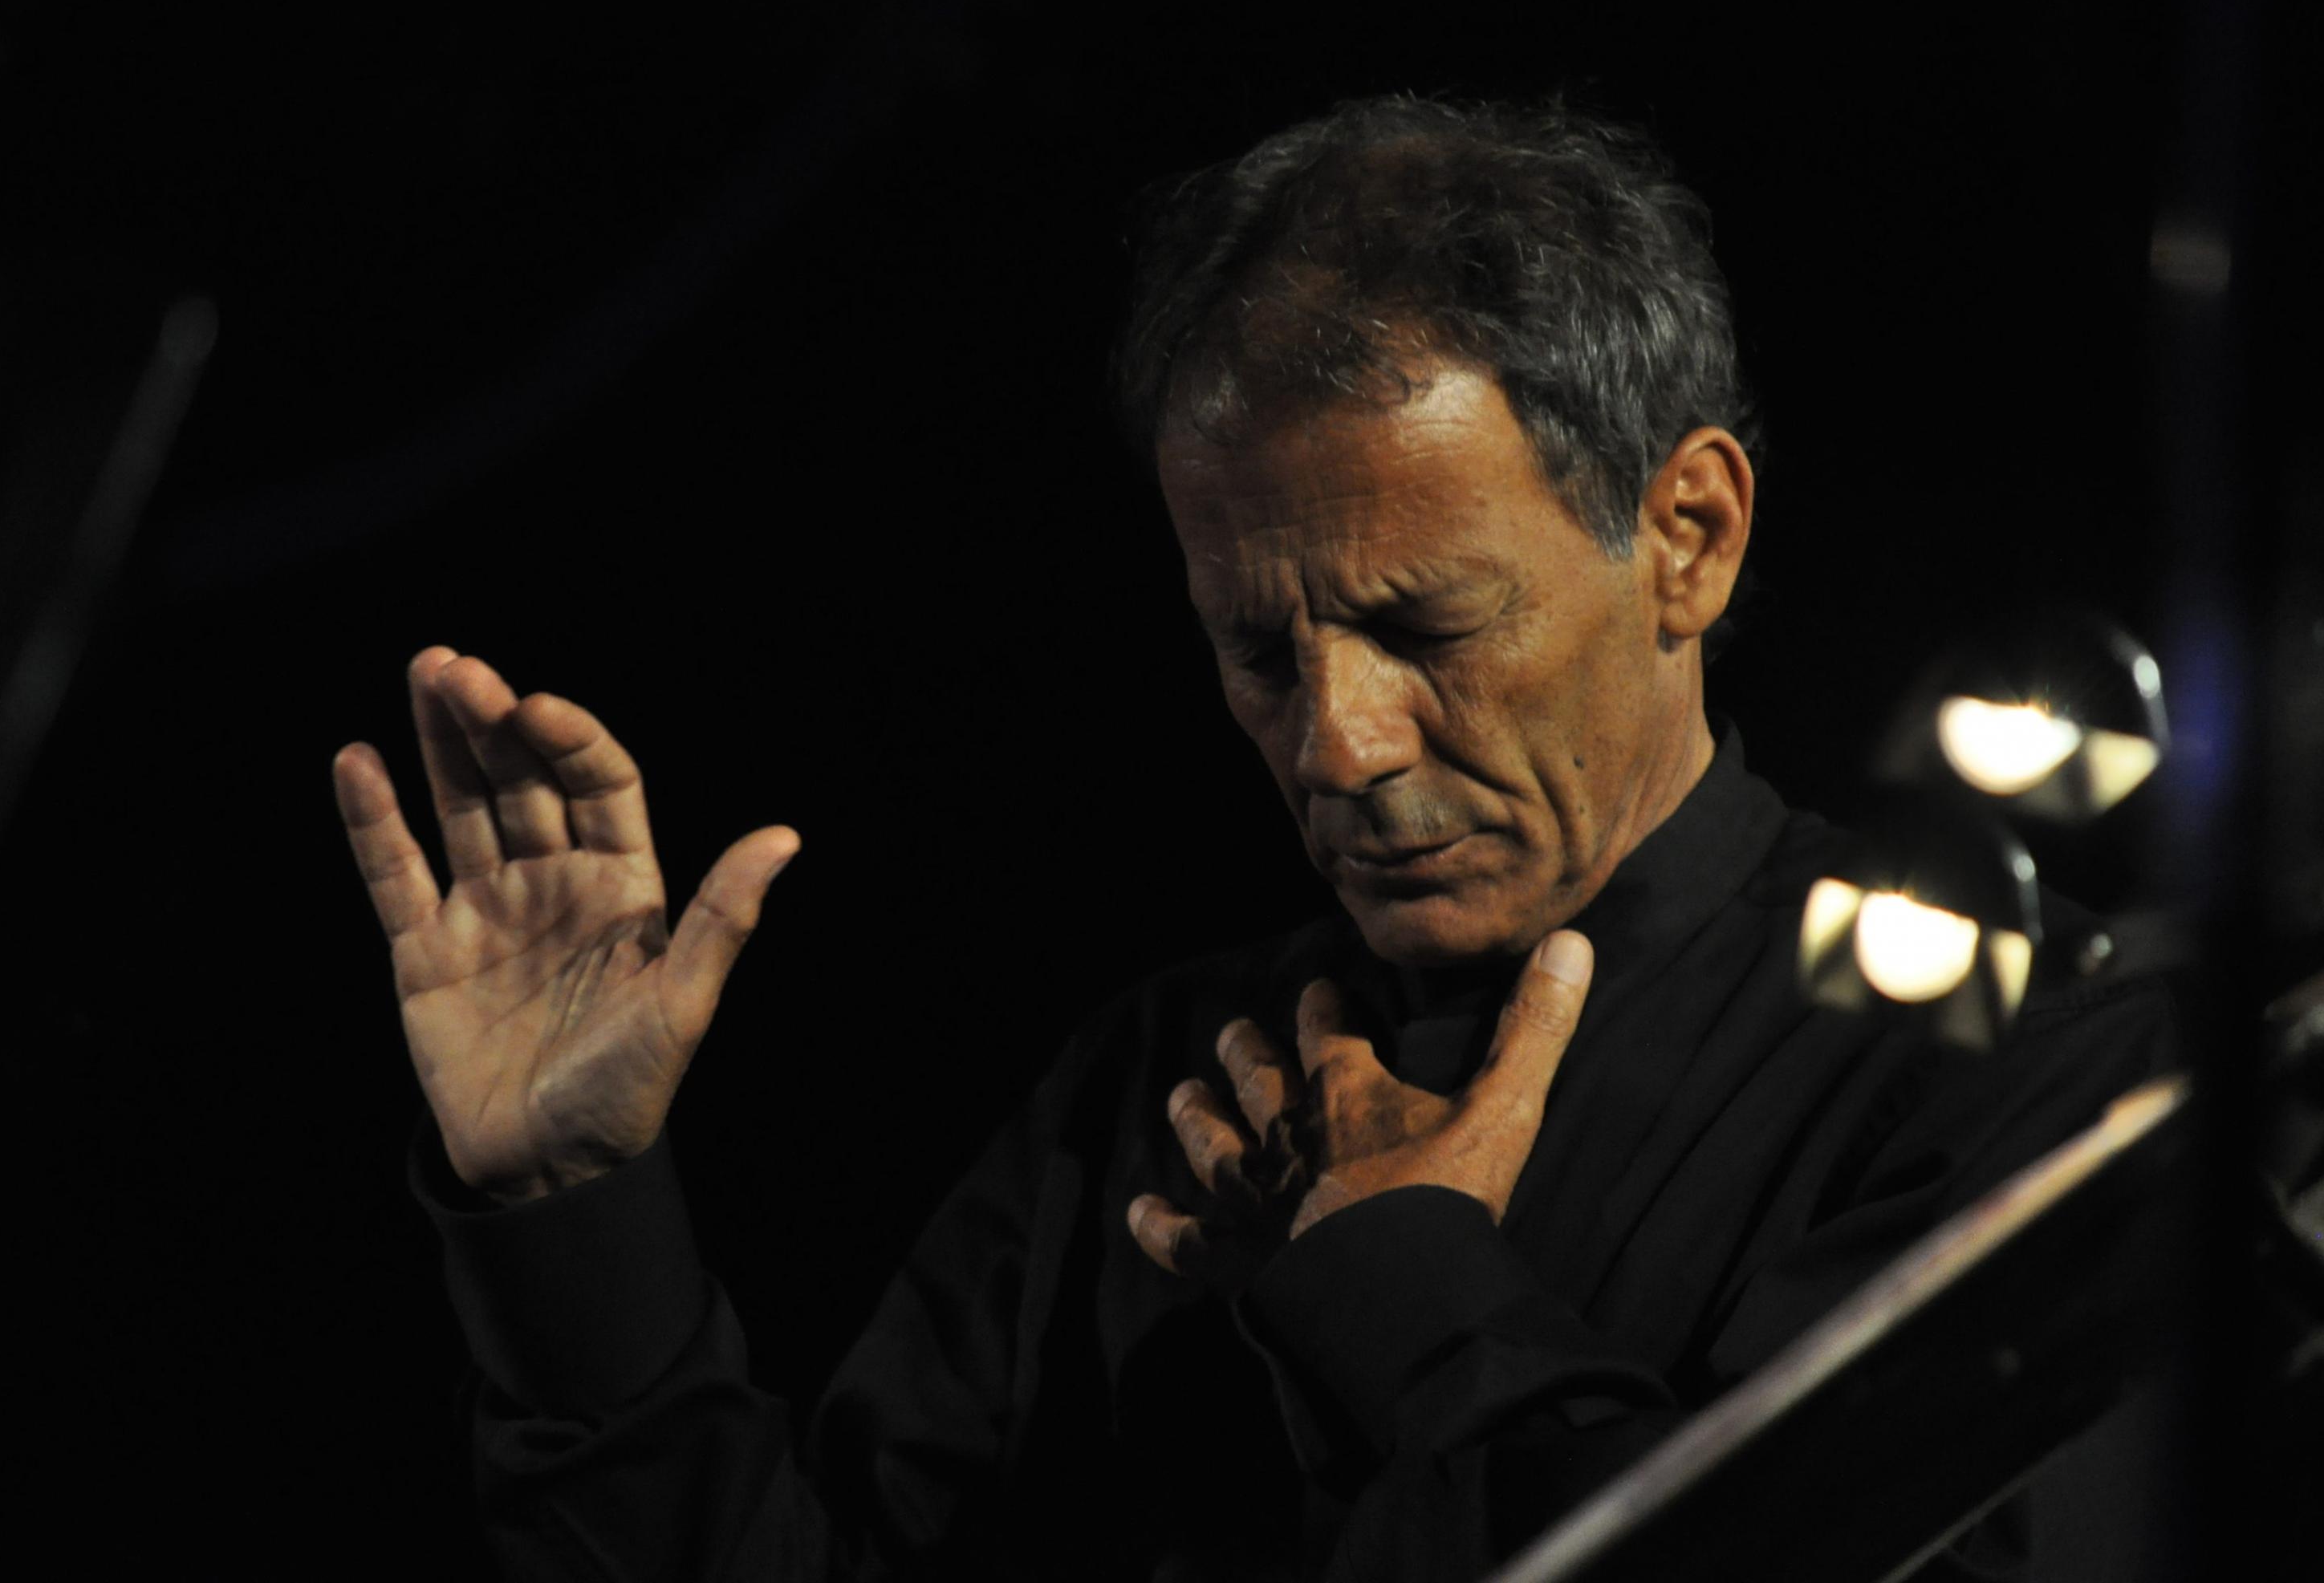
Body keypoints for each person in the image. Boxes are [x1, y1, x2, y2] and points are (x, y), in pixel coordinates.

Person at [331, 97, 2173, 1579]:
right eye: (1258, 651)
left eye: (1427, 626)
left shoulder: (2035, 1070)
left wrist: (1401, 1280)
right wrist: (570, 1208)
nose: (1338, 743)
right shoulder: (1151, 1077)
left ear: (1687, 534)